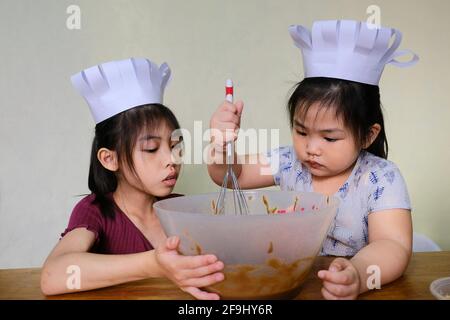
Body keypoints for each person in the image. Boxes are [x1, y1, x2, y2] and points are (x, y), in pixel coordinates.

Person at [208, 20, 418, 299]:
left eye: (329, 138)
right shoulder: (288, 162)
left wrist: (358, 274)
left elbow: (393, 245)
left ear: (368, 135)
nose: (311, 148)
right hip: (294, 285)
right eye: (301, 131)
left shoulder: (381, 178)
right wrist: (220, 145)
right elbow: (230, 176)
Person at [41, 58, 224, 300]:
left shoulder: (182, 209)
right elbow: (52, 276)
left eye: (175, 146)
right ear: (109, 159)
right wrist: (153, 264)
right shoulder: (95, 212)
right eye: (151, 149)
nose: (171, 159)